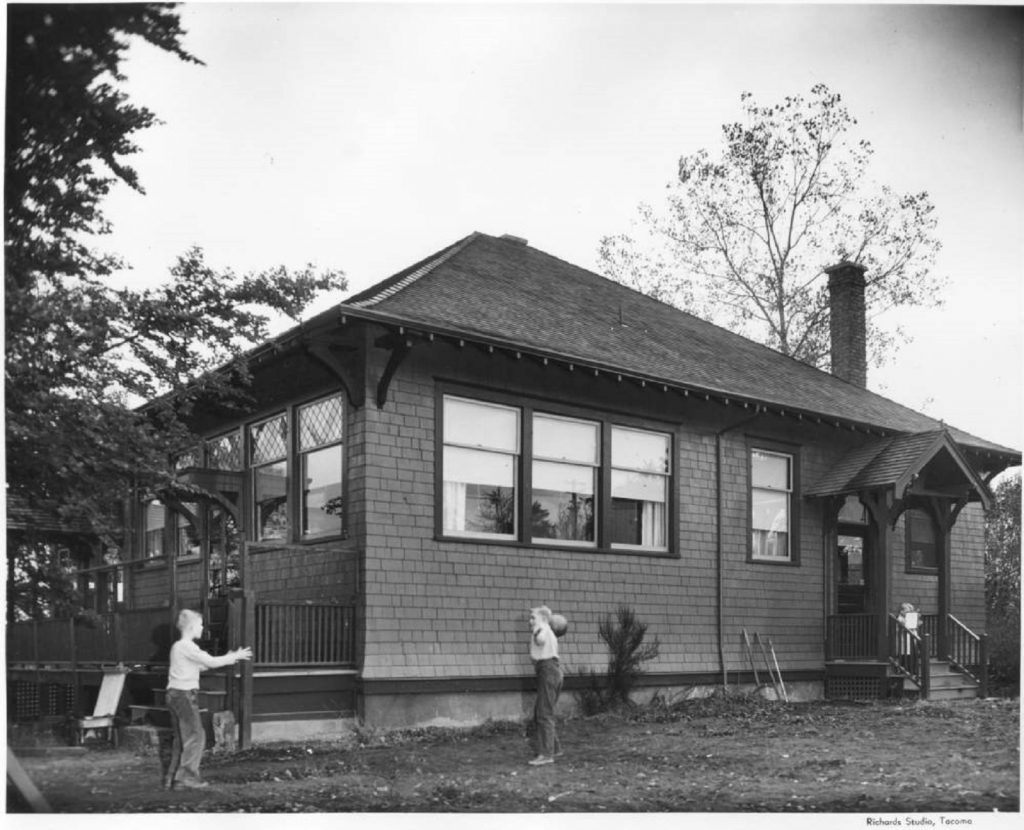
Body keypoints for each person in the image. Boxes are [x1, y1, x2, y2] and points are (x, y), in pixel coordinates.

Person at [164, 608, 252, 790]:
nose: (203, 628)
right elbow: (210, 661)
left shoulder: (178, 647)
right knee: (196, 736)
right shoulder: (187, 646)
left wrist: (226, 659)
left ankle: (173, 778)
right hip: (183, 695)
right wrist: (234, 656)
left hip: (174, 694)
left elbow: (199, 667)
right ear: (191, 627)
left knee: (182, 738)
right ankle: (186, 778)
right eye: (201, 624)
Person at [528, 605, 563, 766]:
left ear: (542, 618)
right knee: (542, 712)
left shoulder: (541, 628)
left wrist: (536, 632)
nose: (530, 621)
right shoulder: (548, 630)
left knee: (544, 714)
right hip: (550, 671)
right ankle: (554, 748)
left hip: (548, 670)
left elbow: (540, 640)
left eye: (533, 617)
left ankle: (546, 754)